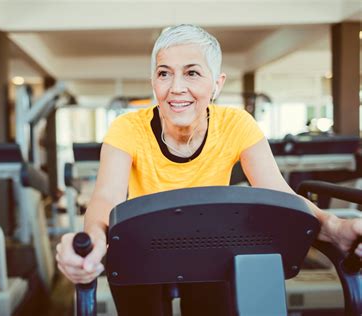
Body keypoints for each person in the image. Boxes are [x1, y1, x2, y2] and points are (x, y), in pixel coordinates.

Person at [56, 24, 362, 315]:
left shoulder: (236, 124)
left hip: (210, 244)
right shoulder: (127, 128)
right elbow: (105, 198)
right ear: (154, 82)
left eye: (192, 73)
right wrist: (93, 240)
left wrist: (333, 226)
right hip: (142, 246)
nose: (177, 88)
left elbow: (279, 194)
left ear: (217, 84)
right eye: (164, 74)